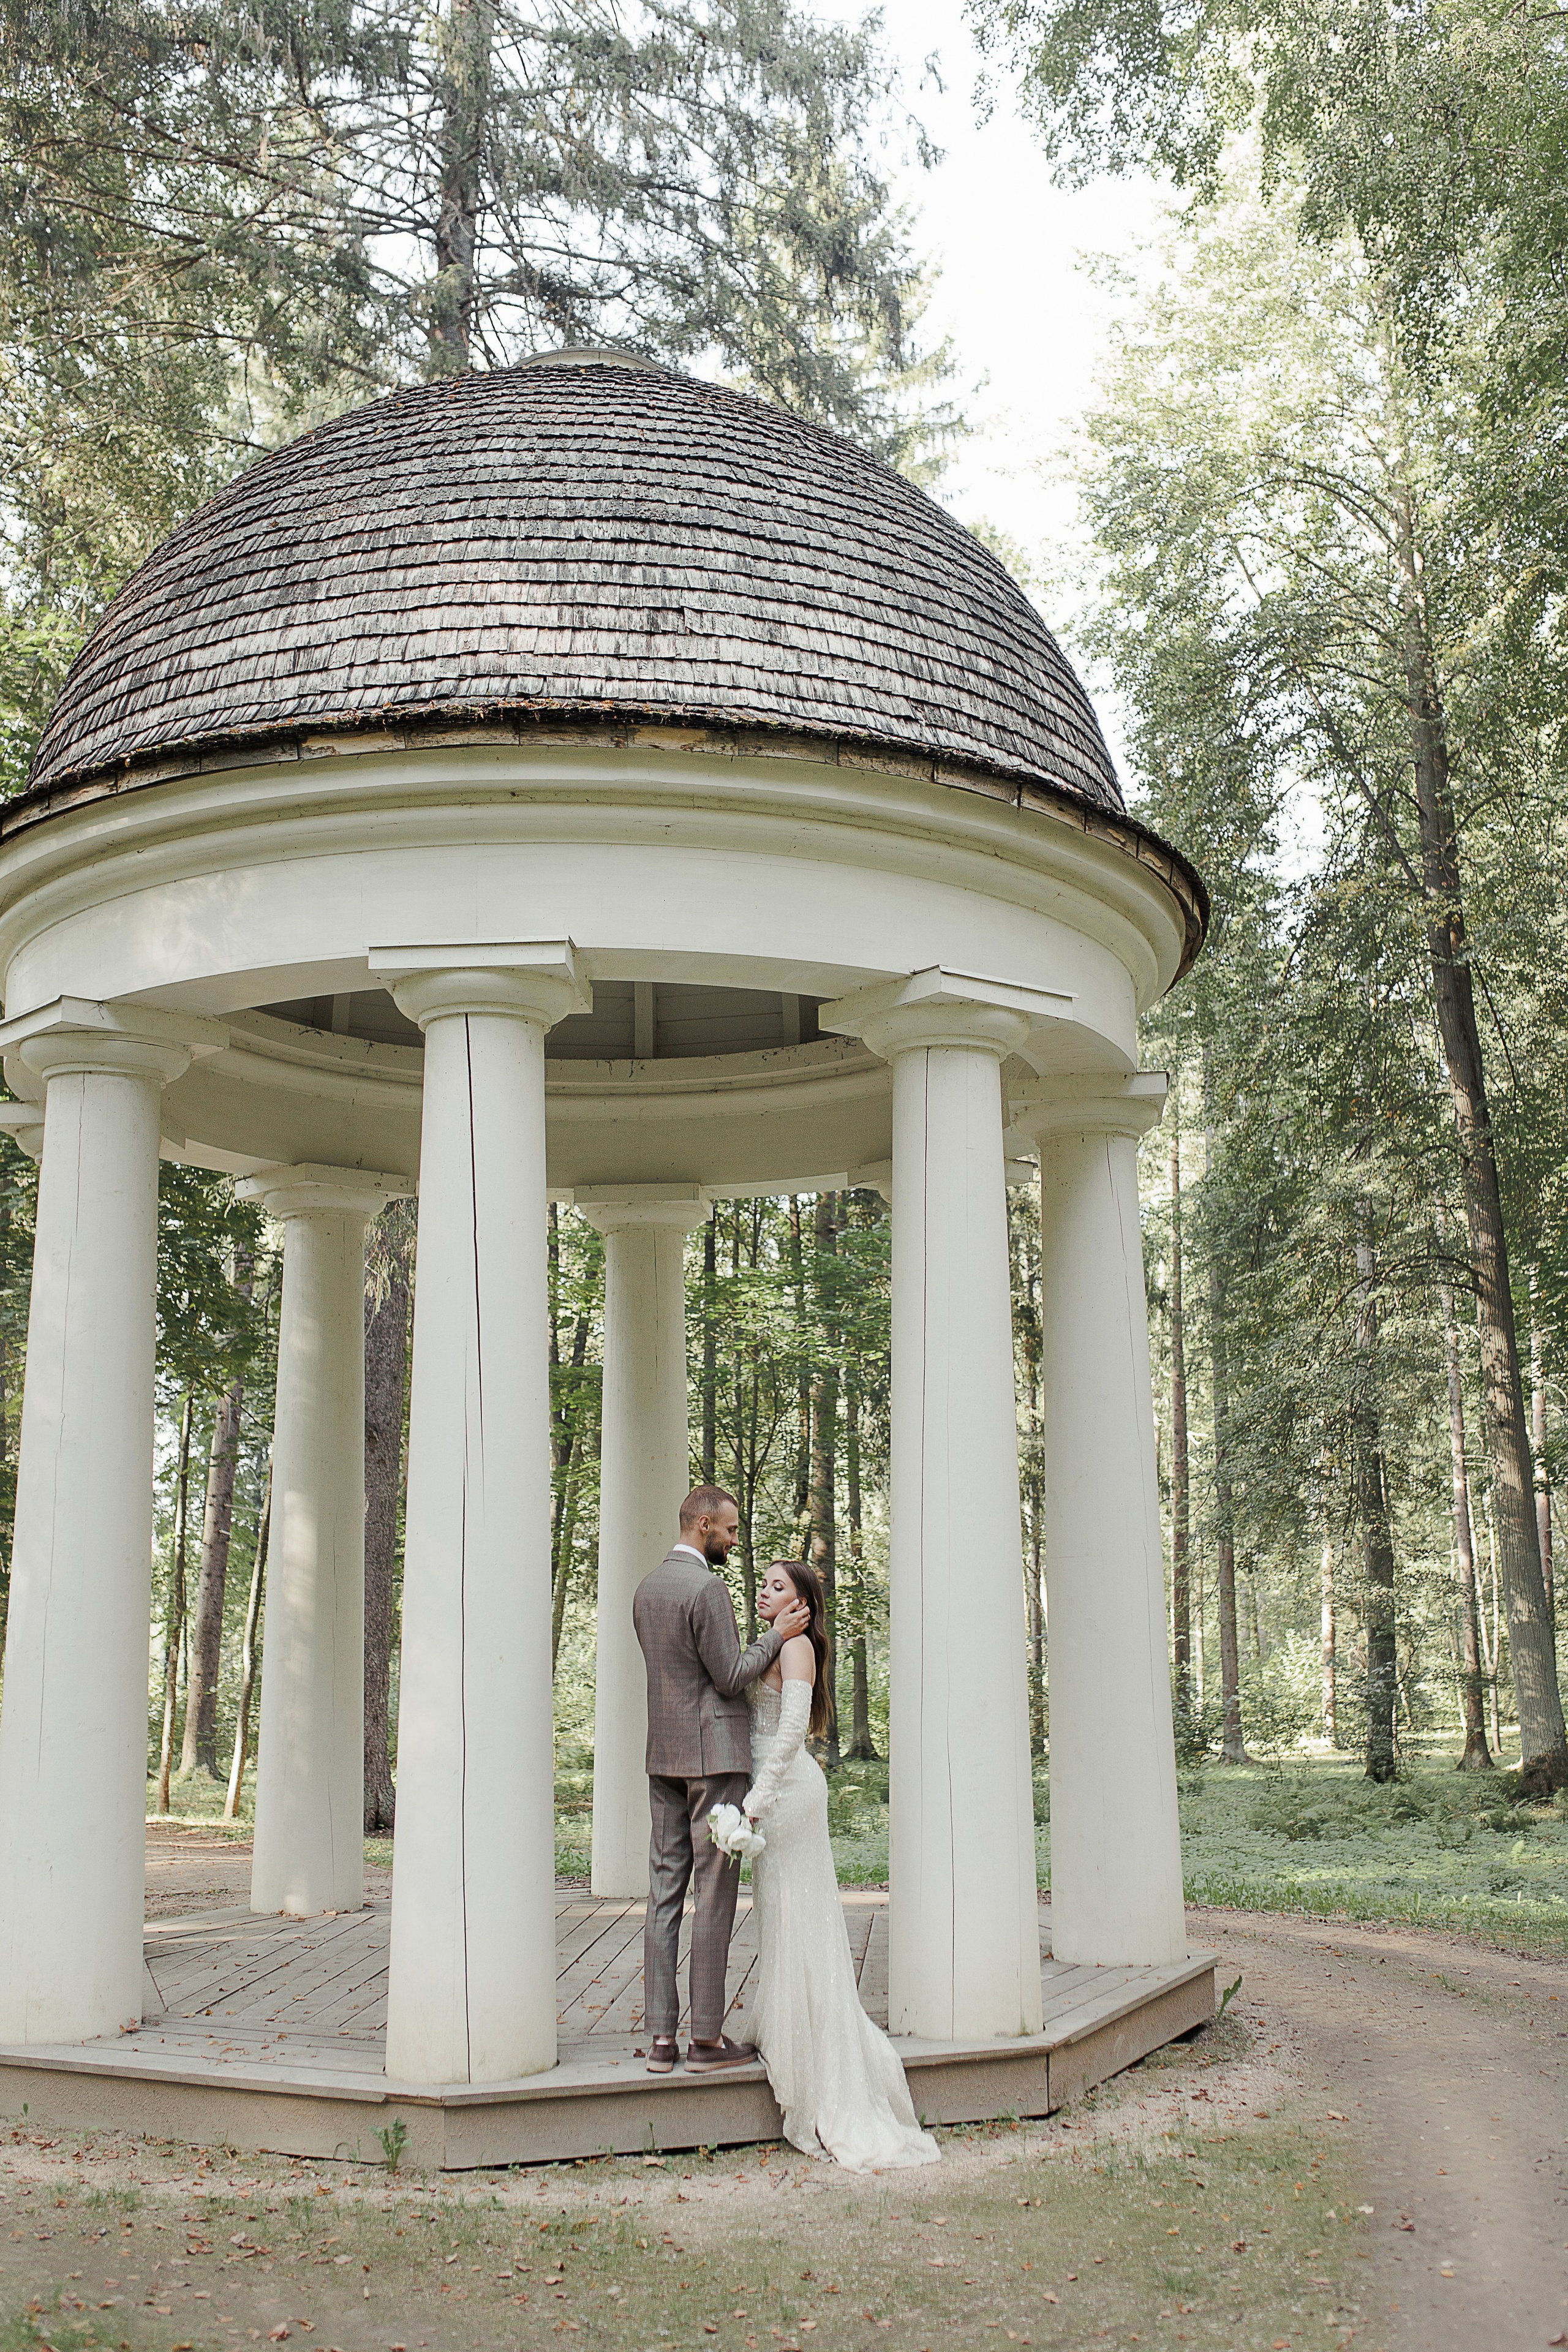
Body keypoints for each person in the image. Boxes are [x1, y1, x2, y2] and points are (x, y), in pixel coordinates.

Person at [743, 1558, 940, 2171]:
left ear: (801, 1604)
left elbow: (792, 1730)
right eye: (765, 1583)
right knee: (779, 1914)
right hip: (765, 1796)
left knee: (800, 1916)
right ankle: (785, 2029)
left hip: (786, 1794)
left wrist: (759, 1795)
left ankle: (820, 2055)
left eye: (778, 1587)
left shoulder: (796, 1649)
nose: (764, 1592)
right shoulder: (770, 1643)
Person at [632, 1486, 809, 2075]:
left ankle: (662, 2039)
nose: (735, 1541)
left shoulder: (647, 1588)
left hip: (664, 1756)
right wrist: (777, 1636)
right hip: (714, 1761)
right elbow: (730, 1677)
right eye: (730, 1530)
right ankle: (706, 2040)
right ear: (703, 1524)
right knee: (713, 1897)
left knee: (663, 1895)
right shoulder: (706, 1588)